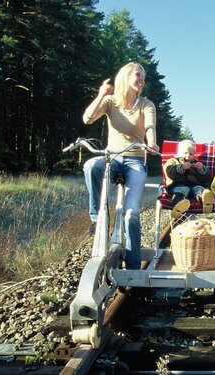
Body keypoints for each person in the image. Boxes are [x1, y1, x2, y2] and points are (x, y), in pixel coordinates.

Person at [82, 62, 159, 269]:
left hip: (135, 160)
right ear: (126, 76)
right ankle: (97, 219)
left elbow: (150, 126)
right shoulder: (110, 101)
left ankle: (133, 268)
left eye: (143, 76)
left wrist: (151, 143)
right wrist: (101, 94)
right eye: (138, 74)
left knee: (131, 213)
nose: (142, 78)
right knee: (91, 166)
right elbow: (87, 118)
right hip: (112, 158)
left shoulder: (146, 104)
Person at [163, 140, 214, 218]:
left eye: (191, 154)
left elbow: (206, 177)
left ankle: (206, 201)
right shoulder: (172, 161)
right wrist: (181, 167)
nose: (188, 156)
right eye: (185, 153)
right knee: (180, 192)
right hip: (177, 185)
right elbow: (169, 172)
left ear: (194, 155)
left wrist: (201, 169)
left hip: (193, 185)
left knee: (199, 189)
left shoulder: (196, 163)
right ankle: (178, 207)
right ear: (179, 153)